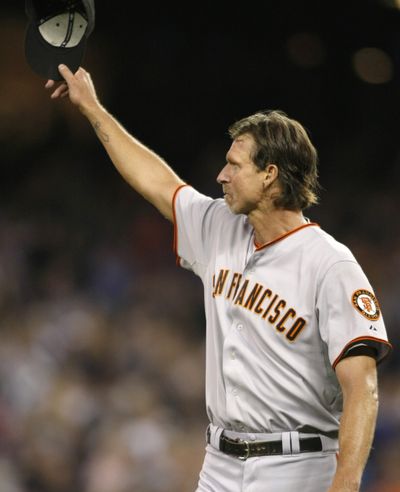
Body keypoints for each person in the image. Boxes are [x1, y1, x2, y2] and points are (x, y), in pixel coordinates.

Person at [46, 64, 392, 492]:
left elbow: (363, 390)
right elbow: (158, 183)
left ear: (270, 175)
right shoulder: (220, 225)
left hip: (297, 467)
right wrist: (92, 108)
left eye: (234, 165)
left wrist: (345, 483)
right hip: (219, 465)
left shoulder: (330, 265)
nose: (221, 175)